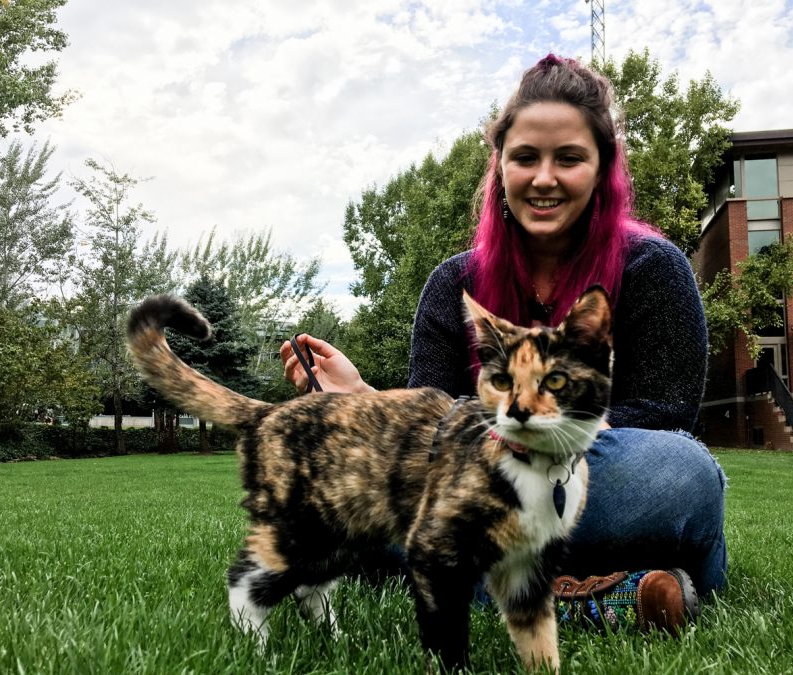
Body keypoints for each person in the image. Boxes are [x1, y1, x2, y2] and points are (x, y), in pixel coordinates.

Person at [281, 54, 726, 630]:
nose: (544, 178)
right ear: (501, 168)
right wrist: (362, 397)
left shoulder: (652, 268)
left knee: (680, 473)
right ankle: (599, 599)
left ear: (600, 168)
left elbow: (667, 414)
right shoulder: (453, 283)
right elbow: (432, 428)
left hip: (596, 478)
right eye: (525, 158)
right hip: (484, 485)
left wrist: (551, 434)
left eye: (568, 158)